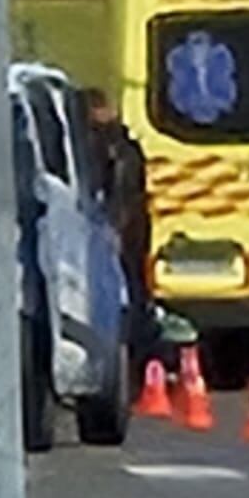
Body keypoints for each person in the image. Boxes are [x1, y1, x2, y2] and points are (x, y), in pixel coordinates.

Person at [84, 88, 153, 359]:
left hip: (121, 231)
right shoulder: (120, 145)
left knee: (128, 293)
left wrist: (118, 221)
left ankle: (139, 352)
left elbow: (126, 189)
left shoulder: (115, 146)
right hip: (122, 229)